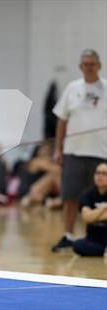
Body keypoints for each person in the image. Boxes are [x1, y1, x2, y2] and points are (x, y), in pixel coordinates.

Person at [52, 49, 107, 252]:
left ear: (98, 65)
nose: (88, 67)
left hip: (100, 154)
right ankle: (67, 235)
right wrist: (58, 149)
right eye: (85, 64)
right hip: (74, 152)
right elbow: (62, 120)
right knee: (70, 196)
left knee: (100, 198)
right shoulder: (72, 88)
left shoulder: (105, 88)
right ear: (80, 67)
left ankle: (98, 238)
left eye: (92, 64)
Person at [73, 162, 107, 256]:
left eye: (104, 173)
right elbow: (86, 218)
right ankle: (103, 251)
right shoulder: (88, 195)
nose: (100, 176)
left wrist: (93, 215)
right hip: (94, 240)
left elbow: (90, 216)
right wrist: (104, 207)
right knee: (77, 245)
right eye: (97, 173)